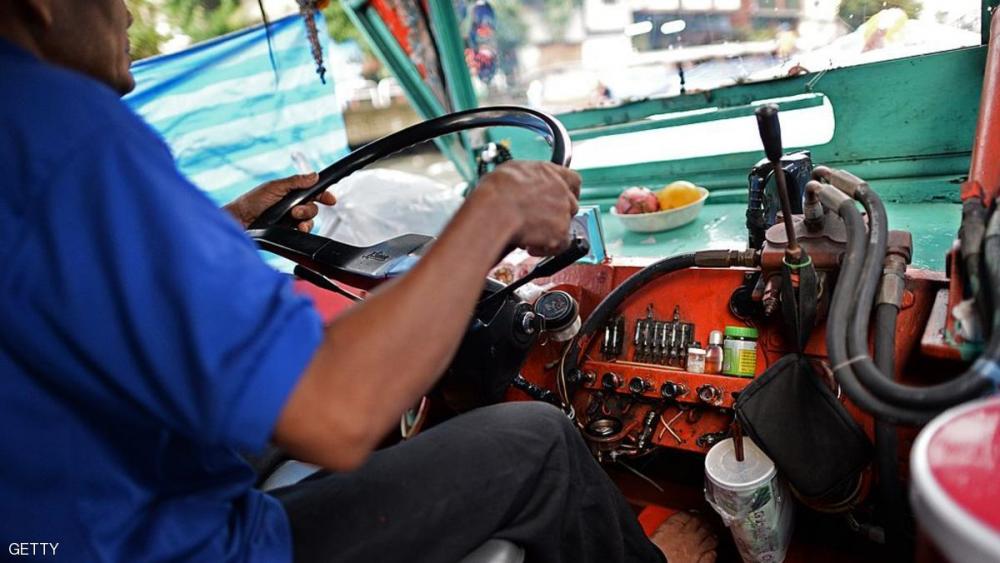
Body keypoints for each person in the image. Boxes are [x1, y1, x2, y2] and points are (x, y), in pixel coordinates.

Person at [0, 1, 718, 562]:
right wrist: (492, 211)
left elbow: (73, 277)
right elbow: (337, 413)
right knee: (541, 445)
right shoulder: (62, 127)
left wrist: (223, 224)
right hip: (174, 541)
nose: (126, 12)